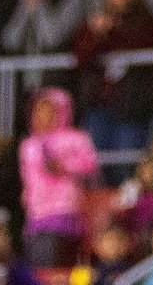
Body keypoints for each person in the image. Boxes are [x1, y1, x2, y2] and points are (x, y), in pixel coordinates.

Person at [74, 0, 153, 161]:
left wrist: (114, 30)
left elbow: (144, 50)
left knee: (127, 162)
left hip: (133, 105)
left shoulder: (147, 19)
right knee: (99, 161)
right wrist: (96, 34)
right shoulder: (95, 20)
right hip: (100, 104)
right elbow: (81, 57)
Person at [20, 87, 100, 267]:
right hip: (37, 215)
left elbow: (91, 166)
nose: (44, 117)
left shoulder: (76, 138)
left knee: (59, 265)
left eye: (50, 112)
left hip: (67, 211)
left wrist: (63, 166)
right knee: (39, 267)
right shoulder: (29, 144)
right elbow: (28, 177)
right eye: (39, 111)